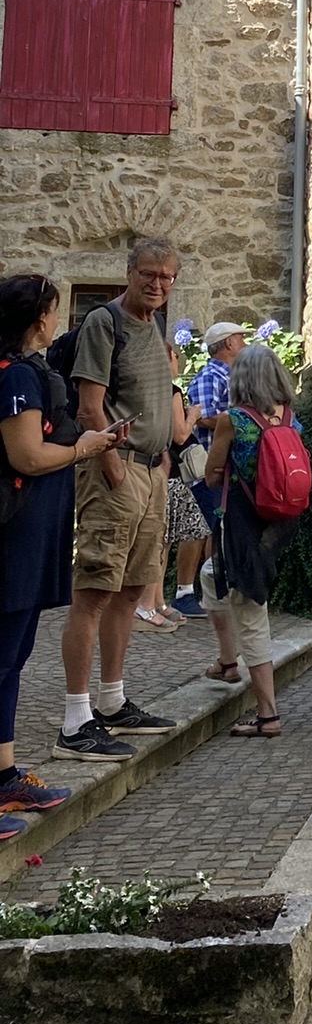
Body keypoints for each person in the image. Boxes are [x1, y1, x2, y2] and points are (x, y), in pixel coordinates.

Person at [0, 276, 120, 821]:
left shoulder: (28, 371)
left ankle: (5, 775)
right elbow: (26, 455)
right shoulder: (16, 375)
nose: (56, 321)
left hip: (32, 535)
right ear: (37, 319)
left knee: (12, 659)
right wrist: (83, 448)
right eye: (52, 311)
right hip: (14, 539)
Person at [56, 238, 180, 761]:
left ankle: (111, 700)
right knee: (94, 591)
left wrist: (161, 463)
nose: (156, 283)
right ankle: (75, 720)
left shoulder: (153, 325)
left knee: (130, 590)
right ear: (129, 272)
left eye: (166, 276)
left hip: (149, 474)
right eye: (148, 273)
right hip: (117, 471)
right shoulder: (104, 323)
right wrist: (112, 468)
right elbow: (90, 407)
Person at [199, 345, 307, 738]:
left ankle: (267, 715)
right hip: (281, 522)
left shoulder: (234, 420)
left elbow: (212, 474)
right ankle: (228, 661)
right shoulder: (291, 418)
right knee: (211, 576)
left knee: (250, 611)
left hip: (244, 524)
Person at [175, 320, 245, 618]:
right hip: (207, 466)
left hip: (222, 466)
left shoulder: (228, 376)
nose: (244, 345)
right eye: (241, 340)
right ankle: (183, 593)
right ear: (228, 343)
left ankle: (210, 591)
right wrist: (239, 419)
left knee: (213, 529)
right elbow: (201, 417)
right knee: (198, 527)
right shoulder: (210, 376)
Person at [138, 354, 205, 632]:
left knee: (162, 541)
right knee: (160, 542)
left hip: (156, 470)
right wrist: (193, 416)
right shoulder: (171, 390)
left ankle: (157, 601)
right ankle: (147, 604)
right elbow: (180, 435)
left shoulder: (145, 388)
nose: (178, 360)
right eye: (175, 356)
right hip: (169, 473)